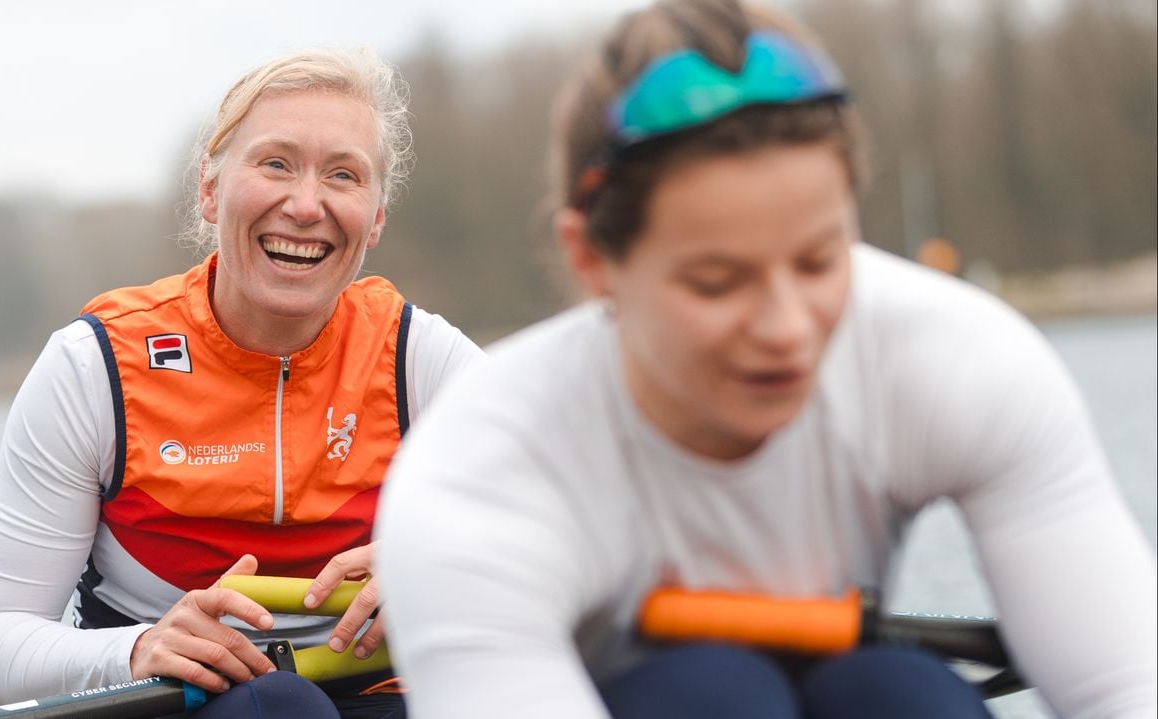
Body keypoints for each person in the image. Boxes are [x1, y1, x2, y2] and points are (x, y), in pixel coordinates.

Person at [374, 1, 1158, 717]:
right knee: (718, 696)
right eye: (718, 282)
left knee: (902, 697)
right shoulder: (481, 473)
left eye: (819, 261)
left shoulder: (954, 357)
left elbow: (1128, 687)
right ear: (592, 259)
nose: (786, 327)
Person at [0, 47, 483, 718]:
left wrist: (437, 560)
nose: (306, 204)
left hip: (386, 693)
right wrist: (136, 648)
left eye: (343, 175)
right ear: (209, 189)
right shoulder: (94, 368)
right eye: (276, 164)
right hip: (189, 702)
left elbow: (579, 539)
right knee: (284, 706)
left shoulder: (420, 360)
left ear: (376, 215)